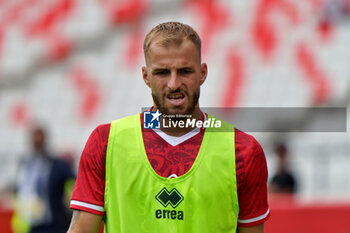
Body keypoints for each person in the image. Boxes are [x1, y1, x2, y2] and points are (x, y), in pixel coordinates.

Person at [67, 22, 269, 233]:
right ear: (146, 76)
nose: (174, 83)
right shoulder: (106, 142)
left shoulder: (244, 151)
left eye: (184, 71)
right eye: (162, 72)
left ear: (202, 73)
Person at [12, 126, 75, 233]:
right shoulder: (26, 166)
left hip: (54, 225)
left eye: (40, 141)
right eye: (35, 141)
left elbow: (75, 182)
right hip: (32, 225)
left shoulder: (57, 165)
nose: (37, 144)